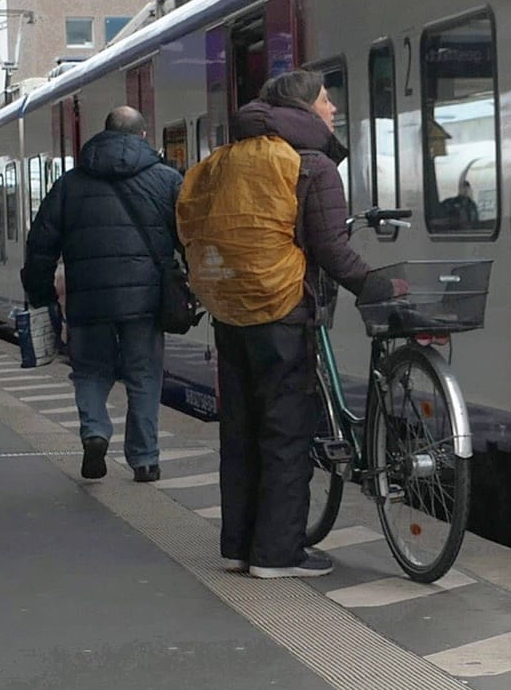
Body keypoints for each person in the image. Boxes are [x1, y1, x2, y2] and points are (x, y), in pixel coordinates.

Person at [177, 70, 398, 579]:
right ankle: (278, 554)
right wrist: (377, 285)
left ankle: (238, 546)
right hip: (282, 310)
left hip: (230, 311)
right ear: (303, 108)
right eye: (325, 100)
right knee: (284, 432)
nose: (333, 109)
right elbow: (332, 251)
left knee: (240, 431)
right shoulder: (313, 166)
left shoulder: (226, 160)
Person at [22, 106, 183, 482]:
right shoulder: (166, 180)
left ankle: (95, 433)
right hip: (145, 301)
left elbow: (40, 244)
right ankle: (144, 460)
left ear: (104, 133)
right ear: (143, 136)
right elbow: (188, 235)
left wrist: (41, 293)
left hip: (88, 300)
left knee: (91, 372)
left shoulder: (69, 184)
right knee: (143, 376)